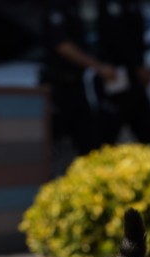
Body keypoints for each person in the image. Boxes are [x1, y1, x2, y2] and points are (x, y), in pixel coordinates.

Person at [41, 0, 117, 160]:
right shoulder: (58, 7)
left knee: (90, 140)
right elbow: (62, 45)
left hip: (78, 86)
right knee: (49, 139)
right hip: (58, 87)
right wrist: (98, 66)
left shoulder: (80, 8)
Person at [92, 0, 150, 145]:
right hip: (116, 76)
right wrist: (138, 66)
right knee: (105, 136)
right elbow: (116, 39)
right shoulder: (111, 5)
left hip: (133, 80)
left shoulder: (133, 5)